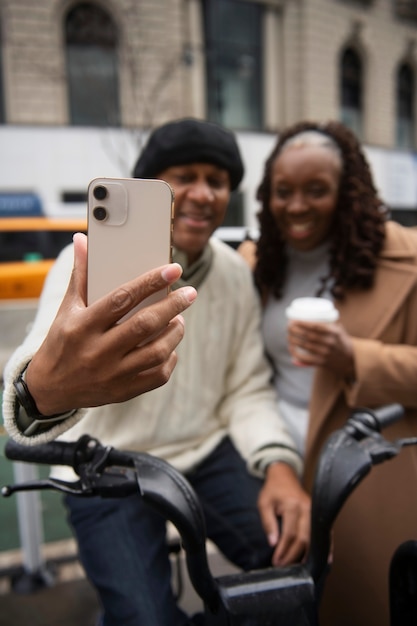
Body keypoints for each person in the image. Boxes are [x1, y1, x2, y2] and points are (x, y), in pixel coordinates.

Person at [3, 118, 311, 626]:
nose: (202, 192)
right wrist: (43, 392)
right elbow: (40, 365)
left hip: (206, 450)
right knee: (142, 616)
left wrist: (278, 464)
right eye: (183, 176)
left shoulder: (235, 274)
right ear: (152, 187)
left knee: (288, 570)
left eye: (216, 180)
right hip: (105, 461)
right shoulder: (83, 262)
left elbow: (247, 388)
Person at [238, 120, 417, 626]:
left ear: (348, 191)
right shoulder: (256, 262)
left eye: (316, 190)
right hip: (275, 463)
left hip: (364, 464)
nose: (297, 206)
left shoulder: (406, 259)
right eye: (284, 191)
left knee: (364, 603)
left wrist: (356, 357)